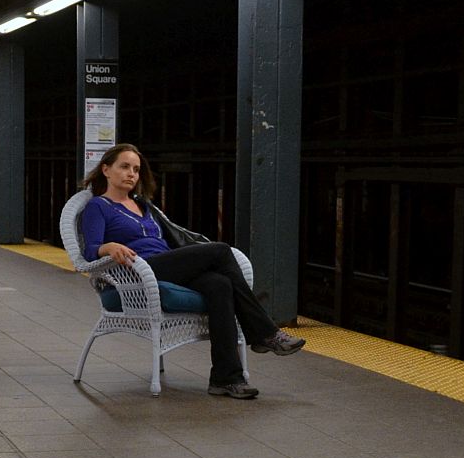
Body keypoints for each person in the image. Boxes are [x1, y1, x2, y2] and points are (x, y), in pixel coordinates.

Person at [81, 143, 304, 399]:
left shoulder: (144, 206)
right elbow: (89, 253)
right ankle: (265, 333)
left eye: (136, 169)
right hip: (137, 272)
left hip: (166, 264)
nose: (131, 173)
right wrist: (107, 247)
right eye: (124, 167)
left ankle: (226, 378)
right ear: (106, 170)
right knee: (220, 251)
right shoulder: (98, 206)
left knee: (219, 284)